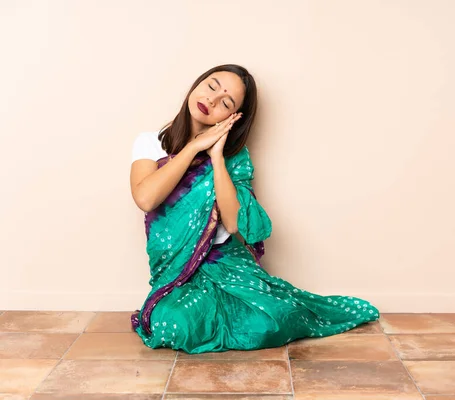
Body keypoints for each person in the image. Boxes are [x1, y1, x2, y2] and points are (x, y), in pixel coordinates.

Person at [129, 64, 380, 353]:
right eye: (212, 86)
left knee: (271, 320)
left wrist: (217, 157)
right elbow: (146, 199)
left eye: (226, 102)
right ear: (198, 84)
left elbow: (234, 222)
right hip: (178, 273)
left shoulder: (236, 158)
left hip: (228, 265)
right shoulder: (150, 142)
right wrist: (193, 148)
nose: (211, 100)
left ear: (233, 117)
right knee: (173, 324)